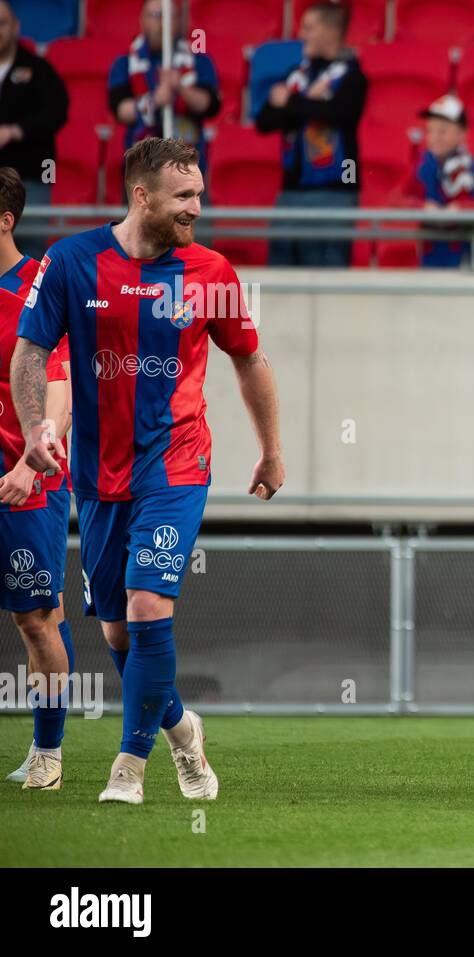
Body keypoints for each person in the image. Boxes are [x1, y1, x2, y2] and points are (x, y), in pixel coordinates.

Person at [12, 137, 285, 804]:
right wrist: (35, 432)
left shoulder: (212, 273)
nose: (198, 206)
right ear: (142, 196)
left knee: (147, 604)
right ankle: (181, 728)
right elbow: (29, 354)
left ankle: (128, 766)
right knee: (116, 630)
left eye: (200, 193)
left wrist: (271, 448)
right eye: (184, 196)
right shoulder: (73, 261)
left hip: (177, 461)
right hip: (98, 474)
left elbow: (249, 360)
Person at [0, 167, 69, 790]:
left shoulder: (37, 285)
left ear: (5, 220)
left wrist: (29, 459)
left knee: (35, 620)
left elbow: (59, 385)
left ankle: (47, 755)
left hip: (24, 479)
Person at [255, 1, 367, 267]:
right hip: (290, 192)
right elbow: (265, 121)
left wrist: (293, 102)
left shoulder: (353, 76)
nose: (302, 34)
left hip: (336, 191)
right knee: (282, 276)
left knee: (326, 279)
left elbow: (339, 113)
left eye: (309, 28)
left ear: (331, 32)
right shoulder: (297, 74)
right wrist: (309, 102)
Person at [109, 0, 222, 178]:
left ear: (179, 21)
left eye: (169, 15)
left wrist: (181, 89)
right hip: (142, 168)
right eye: (156, 15)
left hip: (188, 166)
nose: (162, 22)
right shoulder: (125, 63)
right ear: (142, 21)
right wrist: (154, 101)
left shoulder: (199, 61)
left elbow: (211, 105)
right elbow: (120, 109)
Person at [0, 0, 69, 259]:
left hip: (32, 177)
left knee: (29, 254)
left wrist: (16, 131)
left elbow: (57, 112)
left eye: (2, 23)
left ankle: (30, 301)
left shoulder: (38, 68)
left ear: (16, 27)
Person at [401, 94, 474, 268]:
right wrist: (423, 207)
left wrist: (462, 209)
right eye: (429, 130)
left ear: (462, 134)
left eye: (443, 131)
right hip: (430, 255)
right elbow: (396, 198)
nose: (434, 137)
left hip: (465, 255)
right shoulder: (421, 165)